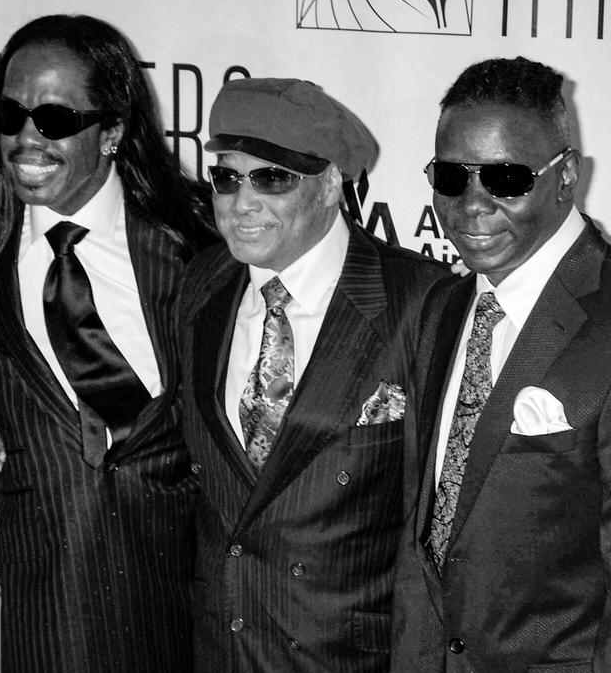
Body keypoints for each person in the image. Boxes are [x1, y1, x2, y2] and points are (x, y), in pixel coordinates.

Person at [391, 57, 611, 672]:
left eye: (506, 179)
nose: (472, 205)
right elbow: (426, 548)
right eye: (452, 177)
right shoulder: (443, 307)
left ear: (565, 176)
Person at [0, 14, 217, 673]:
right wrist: (16, 473)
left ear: (112, 131)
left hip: (193, 597)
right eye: (9, 114)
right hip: (51, 605)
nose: (26, 138)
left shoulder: (196, 234)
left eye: (54, 119)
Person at [177, 77, 445, 672]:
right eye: (227, 178)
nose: (242, 203)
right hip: (223, 651)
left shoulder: (419, 301)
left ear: (329, 185)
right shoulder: (202, 284)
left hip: (348, 659)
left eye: (272, 178)